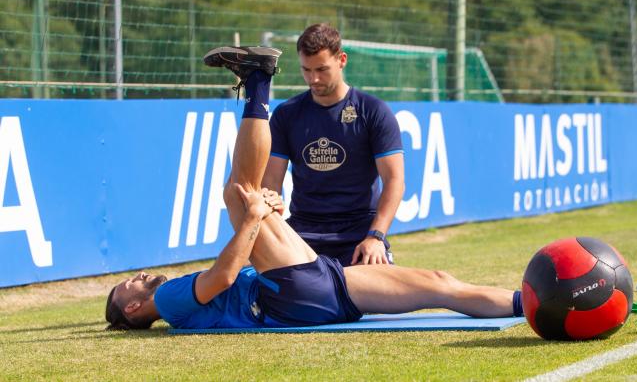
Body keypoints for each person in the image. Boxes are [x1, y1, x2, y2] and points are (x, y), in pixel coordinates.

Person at [105, 47, 523, 330]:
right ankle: (259, 81)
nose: (137, 277)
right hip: (288, 294)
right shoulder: (171, 300)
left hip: (317, 286)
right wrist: (253, 220)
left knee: (438, 282)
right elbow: (225, 275)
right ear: (134, 308)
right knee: (238, 194)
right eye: (128, 286)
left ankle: (526, 304)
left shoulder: (171, 301)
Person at [262, 23, 404, 266]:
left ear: (342, 60)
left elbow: (394, 181)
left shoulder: (373, 111)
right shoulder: (287, 114)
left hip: (360, 233)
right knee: (263, 287)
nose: (313, 79)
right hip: (302, 232)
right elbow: (270, 184)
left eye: (322, 69)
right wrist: (274, 231)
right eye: (306, 70)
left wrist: (376, 236)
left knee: (378, 297)